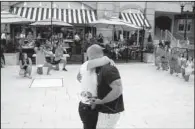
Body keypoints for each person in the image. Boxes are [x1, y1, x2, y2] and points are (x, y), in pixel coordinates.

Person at [78, 44, 124, 129]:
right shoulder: (104, 66)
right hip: (90, 106)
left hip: (85, 105)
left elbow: (78, 77)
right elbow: (118, 89)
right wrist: (107, 59)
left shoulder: (84, 66)